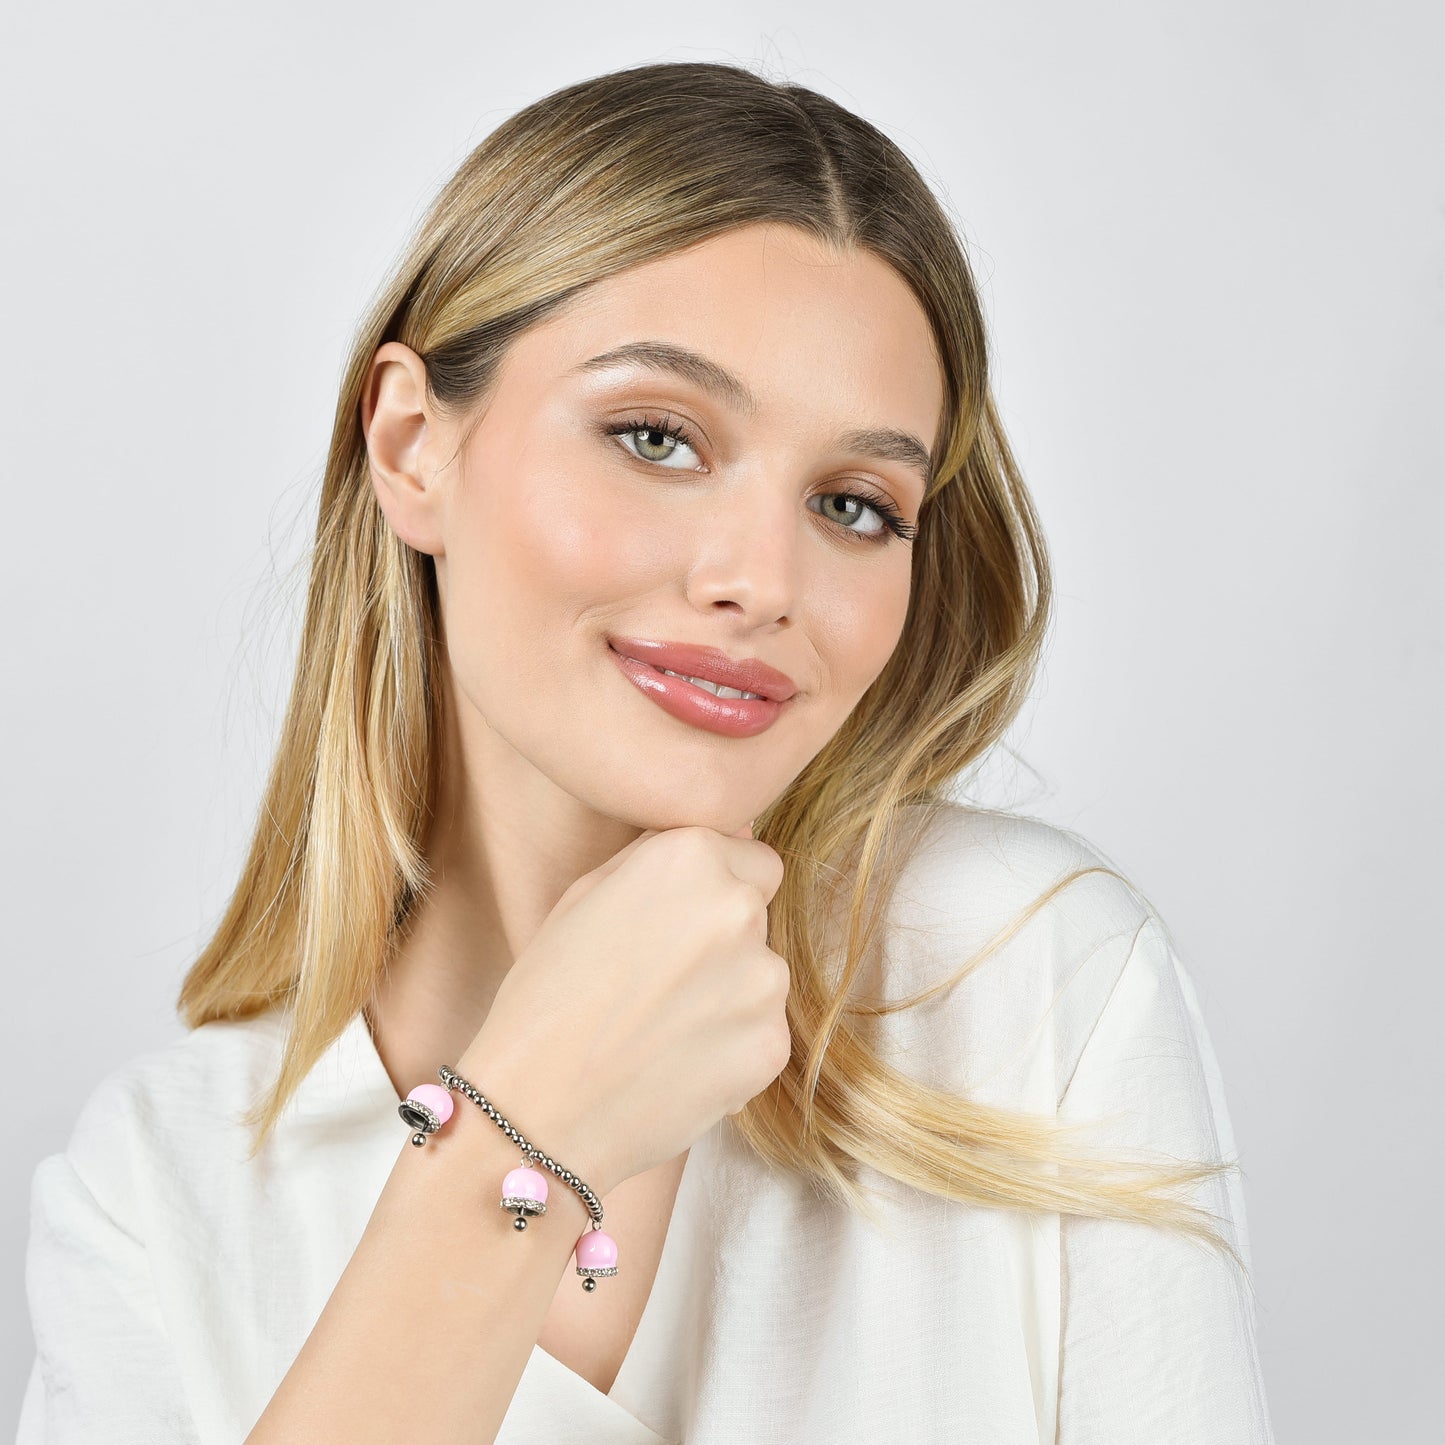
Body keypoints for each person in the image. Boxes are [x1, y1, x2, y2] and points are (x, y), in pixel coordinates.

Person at [17, 60, 1276, 1444]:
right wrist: (522, 1130)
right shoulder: (161, 1197)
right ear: (413, 445)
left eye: (855, 505)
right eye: (657, 437)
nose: (761, 581)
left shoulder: (1023, 981)